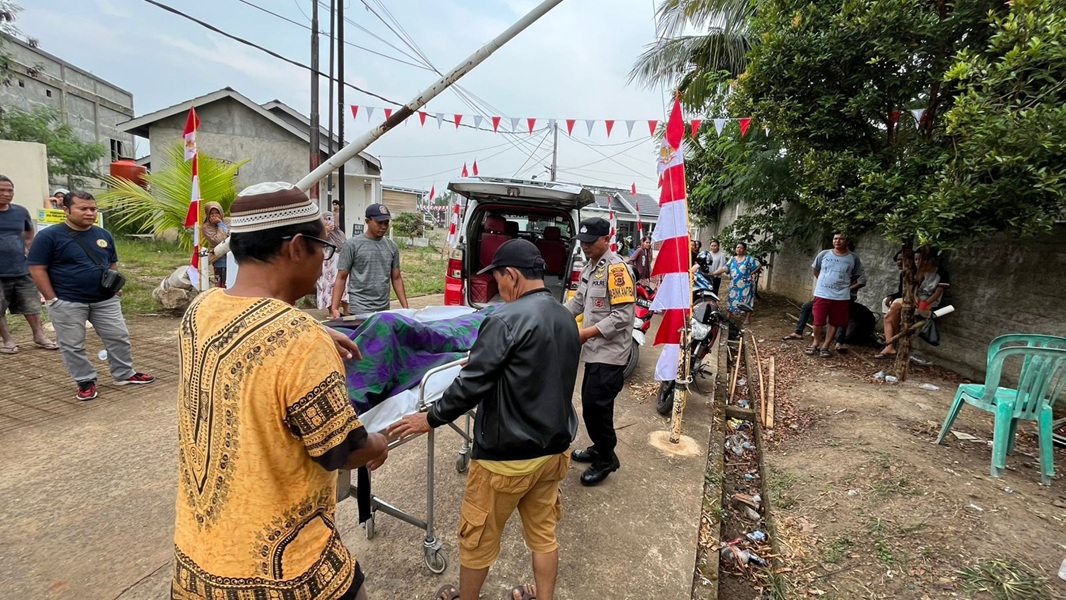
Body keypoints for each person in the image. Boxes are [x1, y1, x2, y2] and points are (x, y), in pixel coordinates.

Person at [172, 182, 390, 600]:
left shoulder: (200, 309)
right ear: (295, 248)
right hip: (285, 573)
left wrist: (316, 327)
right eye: (322, 249)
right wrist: (380, 442)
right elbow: (342, 449)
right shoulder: (300, 341)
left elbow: (252, 329)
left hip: (196, 564)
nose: (324, 261)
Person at [389, 239, 580, 600]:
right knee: (543, 535)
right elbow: (535, 365)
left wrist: (429, 418)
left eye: (498, 280)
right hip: (553, 451)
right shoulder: (565, 316)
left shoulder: (504, 319)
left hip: (505, 460)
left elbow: (470, 386)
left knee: (477, 540)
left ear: (512, 275)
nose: (498, 288)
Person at [27, 190, 154, 400]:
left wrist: (114, 285)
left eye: (93, 209)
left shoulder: (103, 235)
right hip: (67, 301)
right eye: (83, 208)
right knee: (73, 345)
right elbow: (37, 268)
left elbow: (112, 262)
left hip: (105, 300)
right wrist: (52, 299)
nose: (89, 213)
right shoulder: (49, 236)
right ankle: (85, 380)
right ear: (66, 209)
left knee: (118, 337)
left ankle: (124, 373)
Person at [564, 217, 635, 486]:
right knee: (592, 407)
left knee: (597, 408)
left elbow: (622, 317)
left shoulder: (617, 271)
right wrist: (553, 317)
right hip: (593, 351)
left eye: (590, 242)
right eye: (582, 242)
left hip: (611, 354)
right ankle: (599, 447)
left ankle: (607, 459)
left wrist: (584, 333)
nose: (585, 247)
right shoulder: (590, 267)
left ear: (606, 239)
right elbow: (579, 303)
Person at [0, 176, 58, 354]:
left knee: (31, 305)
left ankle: (39, 336)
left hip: (21, 268)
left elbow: (28, 232)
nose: (6, 194)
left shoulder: (20, 212)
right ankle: (8, 340)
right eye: (2, 190)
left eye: (10, 190)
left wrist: (28, 251)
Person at [330, 203, 408, 318]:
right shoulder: (352, 245)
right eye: (379, 223)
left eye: (386, 223)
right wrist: (335, 308)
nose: (383, 226)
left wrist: (406, 308)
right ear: (367, 221)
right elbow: (341, 277)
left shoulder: (392, 247)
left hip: (383, 309)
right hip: (359, 309)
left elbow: (396, 278)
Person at [877, 248, 946, 358]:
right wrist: (915, 298)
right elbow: (911, 289)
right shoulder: (915, 272)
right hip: (913, 299)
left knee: (896, 313)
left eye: (920, 259)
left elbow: (939, 291)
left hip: (930, 302)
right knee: (891, 312)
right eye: (916, 259)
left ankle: (891, 343)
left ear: (931, 260)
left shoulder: (940, 273)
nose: (918, 262)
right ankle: (889, 345)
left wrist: (925, 303)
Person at [804, 233, 866, 358]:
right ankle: (815, 342)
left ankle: (825, 346)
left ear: (847, 241)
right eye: (835, 238)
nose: (837, 241)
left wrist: (843, 285)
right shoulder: (824, 254)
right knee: (818, 321)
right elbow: (816, 270)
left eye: (841, 238)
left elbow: (856, 275)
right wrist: (825, 281)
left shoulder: (853, 258)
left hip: (841, 296)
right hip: (822, 293)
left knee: (834, 322)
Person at [712, 242, 761, 318]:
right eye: (737, 247)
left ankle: (747, 319)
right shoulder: (732, 259)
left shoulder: (748, 259)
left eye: (741, 248)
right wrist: (713, 273)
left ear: (744, 250)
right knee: (731, 299)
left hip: (745, 285)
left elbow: (759, 265)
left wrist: (751, 273)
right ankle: (728, 316)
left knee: (746, 301)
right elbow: (725, 268)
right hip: (734, 284)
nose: (739, 249)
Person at [317, 211, 349, 313]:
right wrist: (326, 231)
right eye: (326, 219)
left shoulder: (339, 232)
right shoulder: (320, 232)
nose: (328, 221)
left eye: (330, 218)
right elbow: (319, 244)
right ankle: (331, 311)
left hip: (340, 262)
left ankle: (346, 310)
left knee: (344, 286)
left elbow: (344, 244)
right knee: (328, 287)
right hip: (327, 264)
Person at [200, 201, 230, 288]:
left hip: (234, 258)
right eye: (211, 214)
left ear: (221, 212)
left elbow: (234, 235)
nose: (214, 215)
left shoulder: (229, 221)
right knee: (221, 285)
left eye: (217, 213)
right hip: (220, 260)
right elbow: (219, 240)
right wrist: (220, 224)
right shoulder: (206, 227)